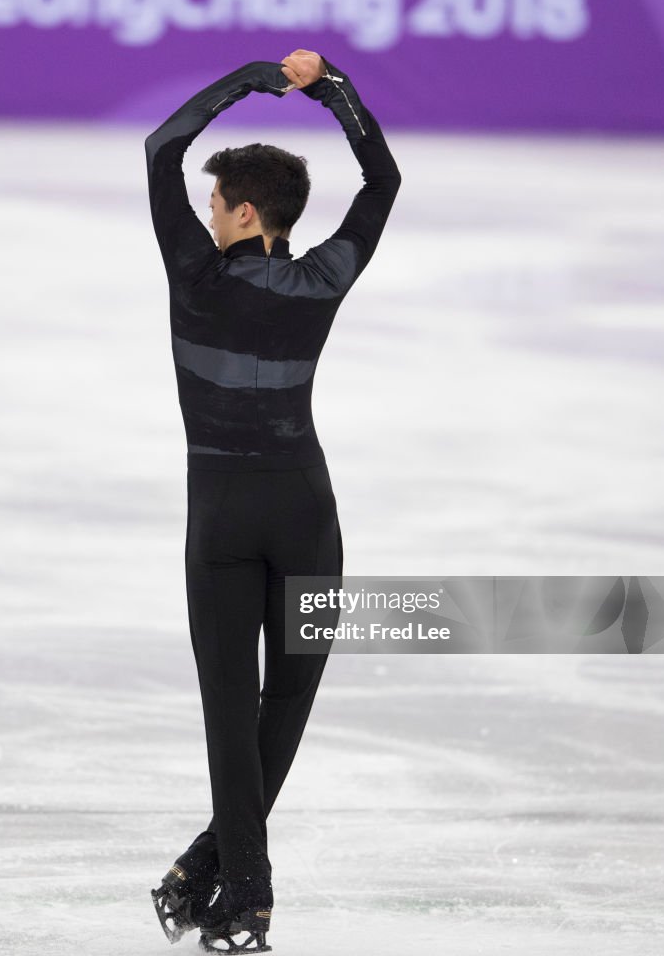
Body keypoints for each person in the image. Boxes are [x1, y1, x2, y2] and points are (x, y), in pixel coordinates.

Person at [145, 49, 400, 953]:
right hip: (306, 509)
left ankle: (237, 885)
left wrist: (253, 80)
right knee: (283, 702)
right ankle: (227, 883)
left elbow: (161, 145)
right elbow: (383, 176)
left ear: (243, 211)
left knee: (230, 710)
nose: (207, 214)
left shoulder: (195, 276)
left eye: (217, 203)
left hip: (219, 518)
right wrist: (330, 88)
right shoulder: (322, 278)